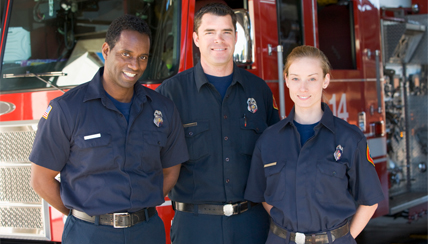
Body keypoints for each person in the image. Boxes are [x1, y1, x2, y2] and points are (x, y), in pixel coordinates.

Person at [29, 14, 189, 244]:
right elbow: (40, 179)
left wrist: (138, 207)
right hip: (89, 234)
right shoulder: (67, 109)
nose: (134, 65)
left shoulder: (163, 109)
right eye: (126, 54)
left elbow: (171, 171)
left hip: (146, 232)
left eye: (142, 57)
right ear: (106, 50)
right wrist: (85, 215)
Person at [156, 3, 280, 244]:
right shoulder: (170, 94)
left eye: (226, 32)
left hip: (252, 224)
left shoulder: (259, 90)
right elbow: (150, 159)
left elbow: (278, 157)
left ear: (236, 37)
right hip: (194, 226)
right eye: (210, 32)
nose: (219, 40)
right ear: (196, 39)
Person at [244, 45, 385, 244]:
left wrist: (342, 239)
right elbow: (262, 195)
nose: (303, 88)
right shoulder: (269, 140)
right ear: (286, 80)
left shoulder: (349, 138)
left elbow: (370, 202)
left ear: (325, 80)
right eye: (295, 79)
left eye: (312, 78)